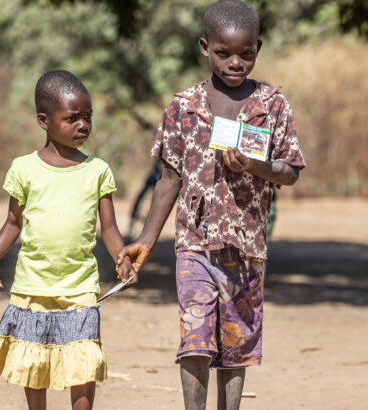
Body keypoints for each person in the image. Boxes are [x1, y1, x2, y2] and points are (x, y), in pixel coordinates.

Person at [118, 1, 305, 409]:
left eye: (246, 53)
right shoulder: (184, 108)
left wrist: (257, 165)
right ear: (205, 47)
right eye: (224, 53)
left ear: (258, 47)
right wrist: (146, 243)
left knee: (236, 345)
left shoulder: (271, 106)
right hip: (194, 245)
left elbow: (290, 171)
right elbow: (169, 180)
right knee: (195, 336)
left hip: (247, 249)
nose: (235, 63)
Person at [0, 70, 136, 410]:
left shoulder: (97, 170)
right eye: (72, 118)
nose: (83, 126)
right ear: (44, 121)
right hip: (33, 285)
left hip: (80, 286)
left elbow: (108, 229)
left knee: (84, 357)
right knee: (34, 362)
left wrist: (123, 258)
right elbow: (12, 224)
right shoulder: (23, 168)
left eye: (87, 117)